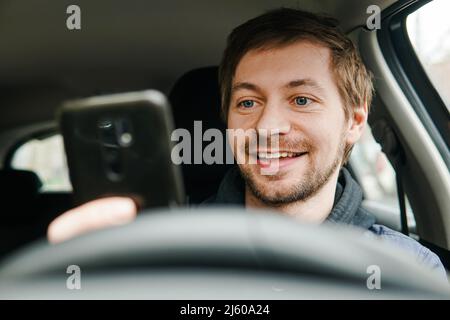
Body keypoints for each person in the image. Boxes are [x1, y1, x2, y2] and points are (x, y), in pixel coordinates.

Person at [47, 8, 446, 277]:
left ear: (354, 122)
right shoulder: (164, 251)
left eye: (301, 99)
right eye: (248, 102)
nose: (267, 126)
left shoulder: (409, 270)